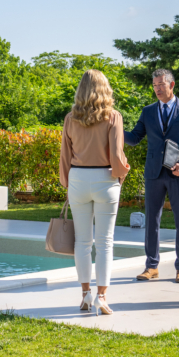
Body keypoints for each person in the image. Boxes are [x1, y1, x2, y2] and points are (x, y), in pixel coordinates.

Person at [59, 69, 130, 315]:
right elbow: (117, 155)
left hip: (78, 177)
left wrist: (67, 182)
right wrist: (122, 172)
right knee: (105, 242)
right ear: (105, 88)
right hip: (105, 178)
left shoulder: (70, 118)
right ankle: (102, 297)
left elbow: (65, 156)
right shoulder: (113, 117)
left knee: (82, 242)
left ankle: (85, 294)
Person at [124, 68, 179, 283]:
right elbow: (134, 137)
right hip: (153, 173)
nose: (157, 89)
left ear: (172, 85)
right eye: (154, 85)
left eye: (161, 84)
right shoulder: (148, 111)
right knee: (152, 220)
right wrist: (113, 128)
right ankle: (151, 266)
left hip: (178, 174)